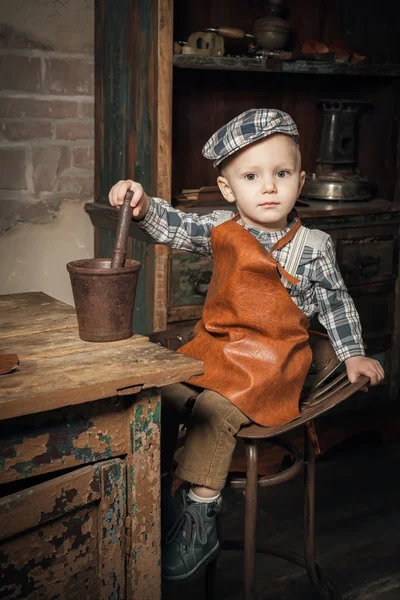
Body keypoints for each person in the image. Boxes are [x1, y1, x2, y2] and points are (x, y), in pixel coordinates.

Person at [108, 108, 384, 580]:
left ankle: (201, 509)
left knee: (216, 410)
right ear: (229, 189)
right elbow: (173, 226)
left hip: (271, 362)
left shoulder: (313, 245)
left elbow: (335, 303)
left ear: (301, 180)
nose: (269, 187)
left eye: (281, 174)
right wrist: (142, 206)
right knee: (167, 391)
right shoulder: (221, 225)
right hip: (217, 346)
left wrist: (352, 352)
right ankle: (156, 488)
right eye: (252, 176)